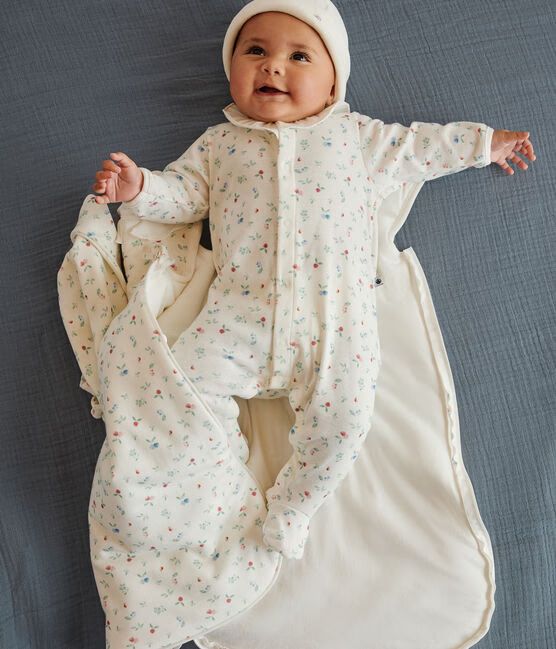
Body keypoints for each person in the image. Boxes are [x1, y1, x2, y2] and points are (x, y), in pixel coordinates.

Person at [90, 0, 535, 560]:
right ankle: (218, 470)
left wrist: (484, 143)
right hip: (238, 319)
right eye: (255, 51)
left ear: (332, 87)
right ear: (231, 70)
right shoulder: (219, 145)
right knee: (180, 384)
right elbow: (183, 195)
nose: (272, 66)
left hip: (336, 330)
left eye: (298, 56)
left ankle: (295, 505)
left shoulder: (355, 137)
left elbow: (418, 147)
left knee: (347, 422)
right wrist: (139, 189)